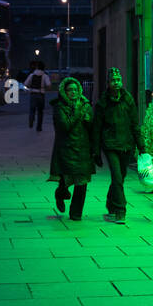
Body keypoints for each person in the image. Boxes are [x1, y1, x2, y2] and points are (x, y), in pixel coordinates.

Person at [91, 68, 145, 225]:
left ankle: (110, 202)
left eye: (119, 80)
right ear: (108, 83)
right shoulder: (103, 103)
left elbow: (135, 125)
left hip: (127, 145)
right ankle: (120, 210)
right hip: (110, 145)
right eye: (113, 80)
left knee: (120, 177)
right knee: (117, 177)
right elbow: (96, 128)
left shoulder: (128, 100)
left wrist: (142, 147)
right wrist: (96, 152)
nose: (117, 82)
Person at [47, 76, 95, 220]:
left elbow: (93, 126)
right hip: (66, 149)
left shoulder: (86, 105)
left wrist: (89, 121)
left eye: (75, 89)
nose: (73, 92)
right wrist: (79, 113)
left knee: (82, 182)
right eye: (70, 90)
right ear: (64, 91)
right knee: (65, 180)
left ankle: (76, 213)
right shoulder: (59, 107)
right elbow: (65, 126)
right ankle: (60, 194)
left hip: (83, 149)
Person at [24, 60, 51, 131]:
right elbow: (48, 85)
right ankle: (39, 127)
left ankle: (31, 120)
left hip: (33, 94)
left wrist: (30, 87)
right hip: (41, 94)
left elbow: (26, 84)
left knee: (32, 109)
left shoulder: (31, 75)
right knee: (40, 111)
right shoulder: (45, 76)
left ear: (36, 67)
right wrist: (44, 88)